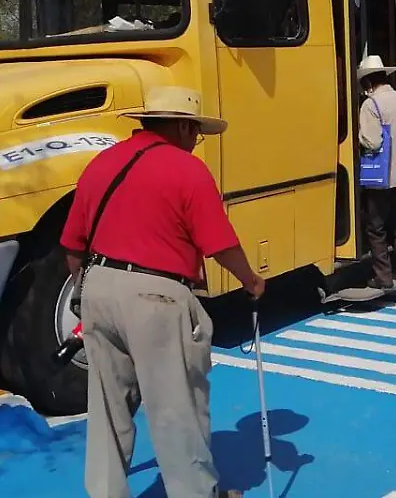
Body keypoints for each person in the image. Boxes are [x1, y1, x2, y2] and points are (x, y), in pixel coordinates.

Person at [60, 85, 265, 498]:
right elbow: (219, 243)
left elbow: (72, 246)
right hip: (157, 295)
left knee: (107, 407)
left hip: (97, 285)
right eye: (195, 132)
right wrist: (252, 280)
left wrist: (90, 293)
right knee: (177, 408)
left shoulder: (103, 163)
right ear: (181, 125)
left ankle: (104, 492)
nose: (195, 141)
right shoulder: (186, 170)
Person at [356, 54, 396, 289]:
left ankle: (383, 276)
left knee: (375, 226)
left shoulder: (371, 105)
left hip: (382, 174)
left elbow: (372, 141)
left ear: (368, 82)